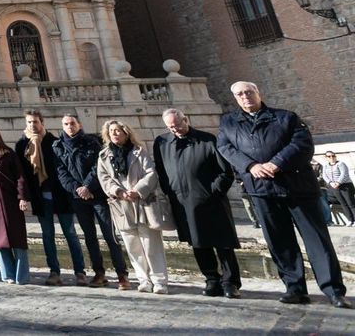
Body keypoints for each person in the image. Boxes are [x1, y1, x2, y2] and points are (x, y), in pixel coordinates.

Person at [217, 81, 350, 308]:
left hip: (297, 188)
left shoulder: (286, 117)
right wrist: (250, 166)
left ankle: (333, 290)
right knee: (279, 242)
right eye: (240, 94)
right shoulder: (228, 122)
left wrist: (276, 163)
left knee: (317, 240)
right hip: (261, 189)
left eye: (249, 92)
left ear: (258, 93)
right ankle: (294, 288)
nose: (245, 96)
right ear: (235, 98)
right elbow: (226, 148)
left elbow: (302, 144)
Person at [154, 108, 241, 299]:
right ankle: (211, 278)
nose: (175, 129)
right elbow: (161, 170)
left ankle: (230, 282)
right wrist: (171, 191)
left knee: (223, 243)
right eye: (170, 127)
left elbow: (225, 172)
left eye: (177, 125)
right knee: (197, 243)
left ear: (186, 119)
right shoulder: (162, 142)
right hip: (183, 203)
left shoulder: (207, 139)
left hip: (212, 201)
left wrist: (213, 192)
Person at [53, 113, 129, 289]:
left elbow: (98, 167)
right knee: (90, 237)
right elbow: (61, 172)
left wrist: (87, 186)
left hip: (97, 195)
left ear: (79, 125)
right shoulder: (58, 147)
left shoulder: (92, 142)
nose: (69, 127)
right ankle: (99, 273)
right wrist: (78, 189)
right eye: (66, 124)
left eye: (72, 123)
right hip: (78, 198)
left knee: (110, 235)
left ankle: (122, 274)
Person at [16, 110, 87, 286]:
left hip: (61, 195)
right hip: (40, 196)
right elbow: (22, 174)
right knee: (47, 235)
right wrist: (23, 196)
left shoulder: (54, 142)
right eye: (29, 122)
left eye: (35, 122)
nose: (32, 125)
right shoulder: (22, 144)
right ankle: (54, 271)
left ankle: (80, 272)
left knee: (70, 233)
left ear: (42, 123)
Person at [97, 120, 169, 294]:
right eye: (111, 131)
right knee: (132, 246)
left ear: (126, 132)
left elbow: (151, 173)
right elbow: (104, 178)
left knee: (151, 244)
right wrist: (118, 191)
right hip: (121, 205)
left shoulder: (139, 151)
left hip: (143, 203)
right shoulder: (104, 156)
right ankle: (143, 280)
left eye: (118, 130)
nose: (115, 134)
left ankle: (159, 281)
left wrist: (137, 190)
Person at [0, 124, 30, 285]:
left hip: (11, 201)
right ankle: (8, 275)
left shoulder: (8, 153)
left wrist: (22, 197)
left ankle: (21, 276)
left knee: (18, 239)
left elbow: (20, 177)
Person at [322, 151, 355, 226]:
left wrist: (338, 182)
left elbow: (344, 174)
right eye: (329, 156)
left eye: (333, 156)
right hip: (334, 186)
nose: (331, 157)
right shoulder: (325, 166)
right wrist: (330, 183)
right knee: (343, 203)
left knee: (351, 203)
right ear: (326, 158)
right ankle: (350, 220)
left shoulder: (341, 164)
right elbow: (324, 176)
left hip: (345, 185)